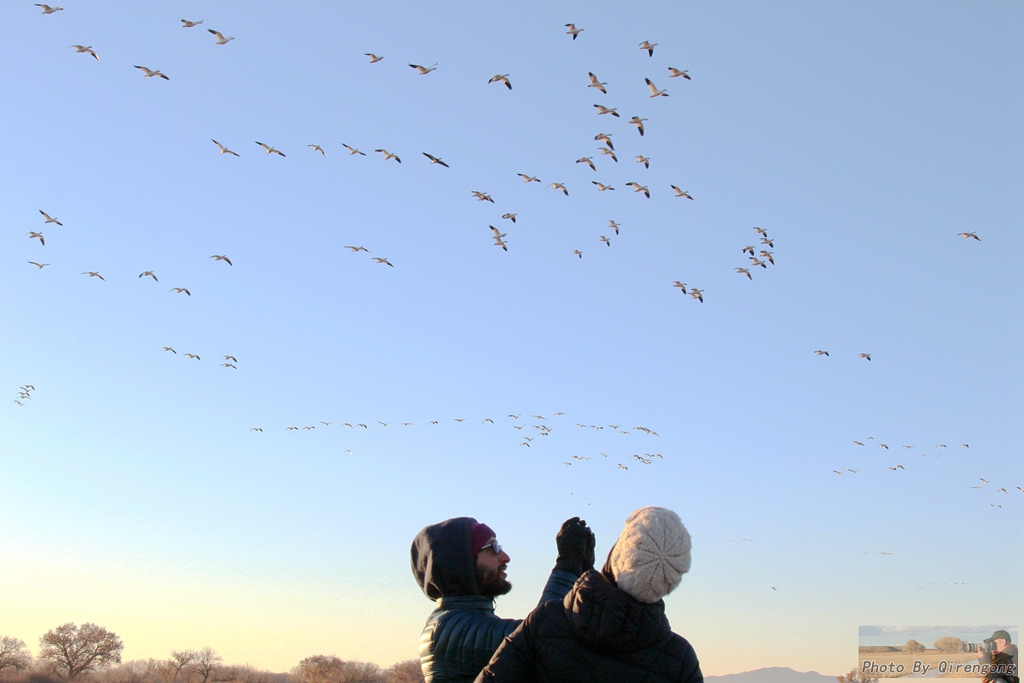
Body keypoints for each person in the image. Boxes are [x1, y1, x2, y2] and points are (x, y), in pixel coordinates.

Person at [474, 507, 703, 683]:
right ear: (671, 580)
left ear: (616, 554)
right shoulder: (680, 660)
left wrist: (573, 567)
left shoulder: (546, 622)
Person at [411, 516, 595, 683]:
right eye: (493, 548)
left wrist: (581, 572)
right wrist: (568, 564)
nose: (505, 557)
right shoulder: (447, 628)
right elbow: (541, 638)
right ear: (461, 562)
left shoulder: (467, 620)